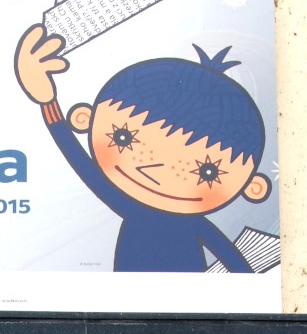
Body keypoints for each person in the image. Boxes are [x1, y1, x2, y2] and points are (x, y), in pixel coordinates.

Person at [14, 24, 271, 273]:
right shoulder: (134, 207)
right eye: (124, 137)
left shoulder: (182, 221)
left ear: (253, 186)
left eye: (207, 171)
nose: (156, 167)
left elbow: (236, 264)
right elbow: (79, 161)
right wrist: (48, 102)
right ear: (84, 118)